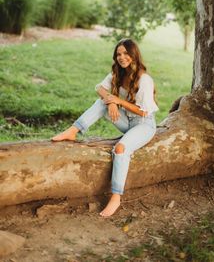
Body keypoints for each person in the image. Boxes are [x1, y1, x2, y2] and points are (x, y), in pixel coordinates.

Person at [52, 38, 158, 217]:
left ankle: (116, 197)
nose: (122, 57)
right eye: (118, 54)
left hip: (143, 125)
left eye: (125, 53)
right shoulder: (118, 73)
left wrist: (117, 101)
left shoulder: (144, 79)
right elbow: (99, 88)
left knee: (120, 148)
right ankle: (73, 130)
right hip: (126, 122)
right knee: (102, 101)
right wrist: (111, 102)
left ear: (134, 55)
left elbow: (144, 112)